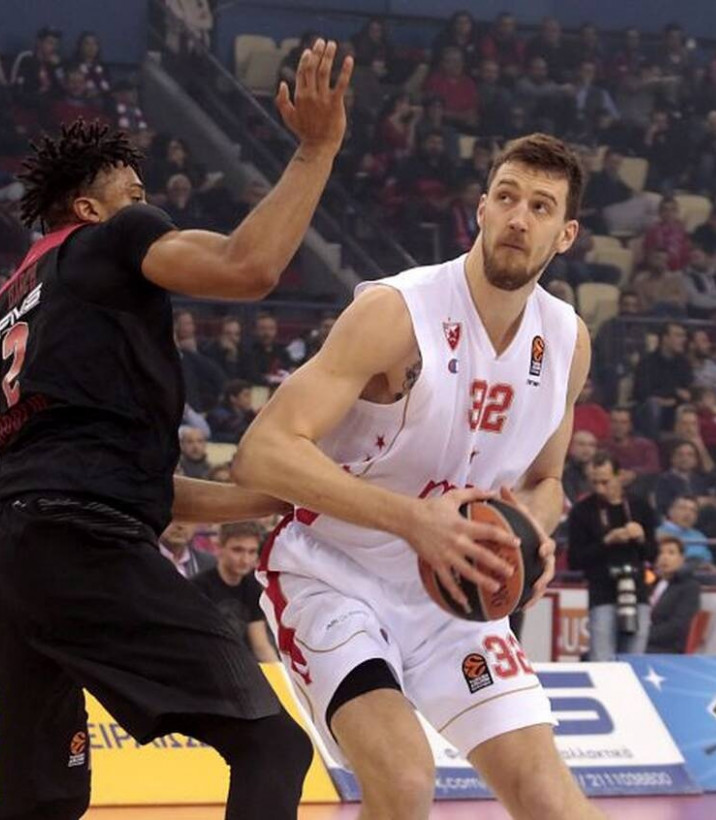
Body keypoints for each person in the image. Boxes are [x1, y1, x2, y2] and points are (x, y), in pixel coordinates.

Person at [0, 39, 352, 820]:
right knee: (273, 745)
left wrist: (283, 499)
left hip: (1, 546)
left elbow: (125, 483)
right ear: (90, 210)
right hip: (75, 542)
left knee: (39, 803)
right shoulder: (113, 238)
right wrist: (315, 149)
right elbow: (248, 266)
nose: (150, 206)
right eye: (134, 192)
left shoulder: (13, 298)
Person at [233, 133, 604, 820]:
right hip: (334, 574)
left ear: (566, 234)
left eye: (541, 207)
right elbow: (262, 452)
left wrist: (528, 535)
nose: (519, 218)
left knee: (554, 803)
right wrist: (414, 522)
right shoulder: (398, 312)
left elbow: (547, 480)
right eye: (506, 197)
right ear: (481, 210)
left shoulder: (567, 341)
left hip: (453, 593)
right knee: (405, 781)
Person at [568, 453, 657, 661]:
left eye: (605, 481)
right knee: (602, 660)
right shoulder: (582, 511)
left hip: (637, 591)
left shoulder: (639, 506)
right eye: (594, 482)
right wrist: (607, 541)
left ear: (620, 476)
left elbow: (653, 554)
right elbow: (575, 560)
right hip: (602, 592)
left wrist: (641, 538)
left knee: (635, 661)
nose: (599, 488)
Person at [193, 521, 279, 663]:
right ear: (219, 548)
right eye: (237, 550)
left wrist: (281, 673)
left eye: (252, 552)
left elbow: (260, 645)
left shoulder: (252, 585)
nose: (245, 560)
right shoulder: (199, 586)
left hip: (243, 663)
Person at [647, 536, 702, 653]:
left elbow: (678, 626)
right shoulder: (652, 584)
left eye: (671, 553)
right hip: (644, 641)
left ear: (681, 559)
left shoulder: (689, 587)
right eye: (660, 553)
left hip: (666, 648)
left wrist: (644, 636)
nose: (664, 557)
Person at [657, 495, 713, 565]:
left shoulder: (700, 536)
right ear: (670, 511)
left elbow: (708, 560)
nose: (688, 513)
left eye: (693, 510)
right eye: (683, 508)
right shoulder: (658, 534)